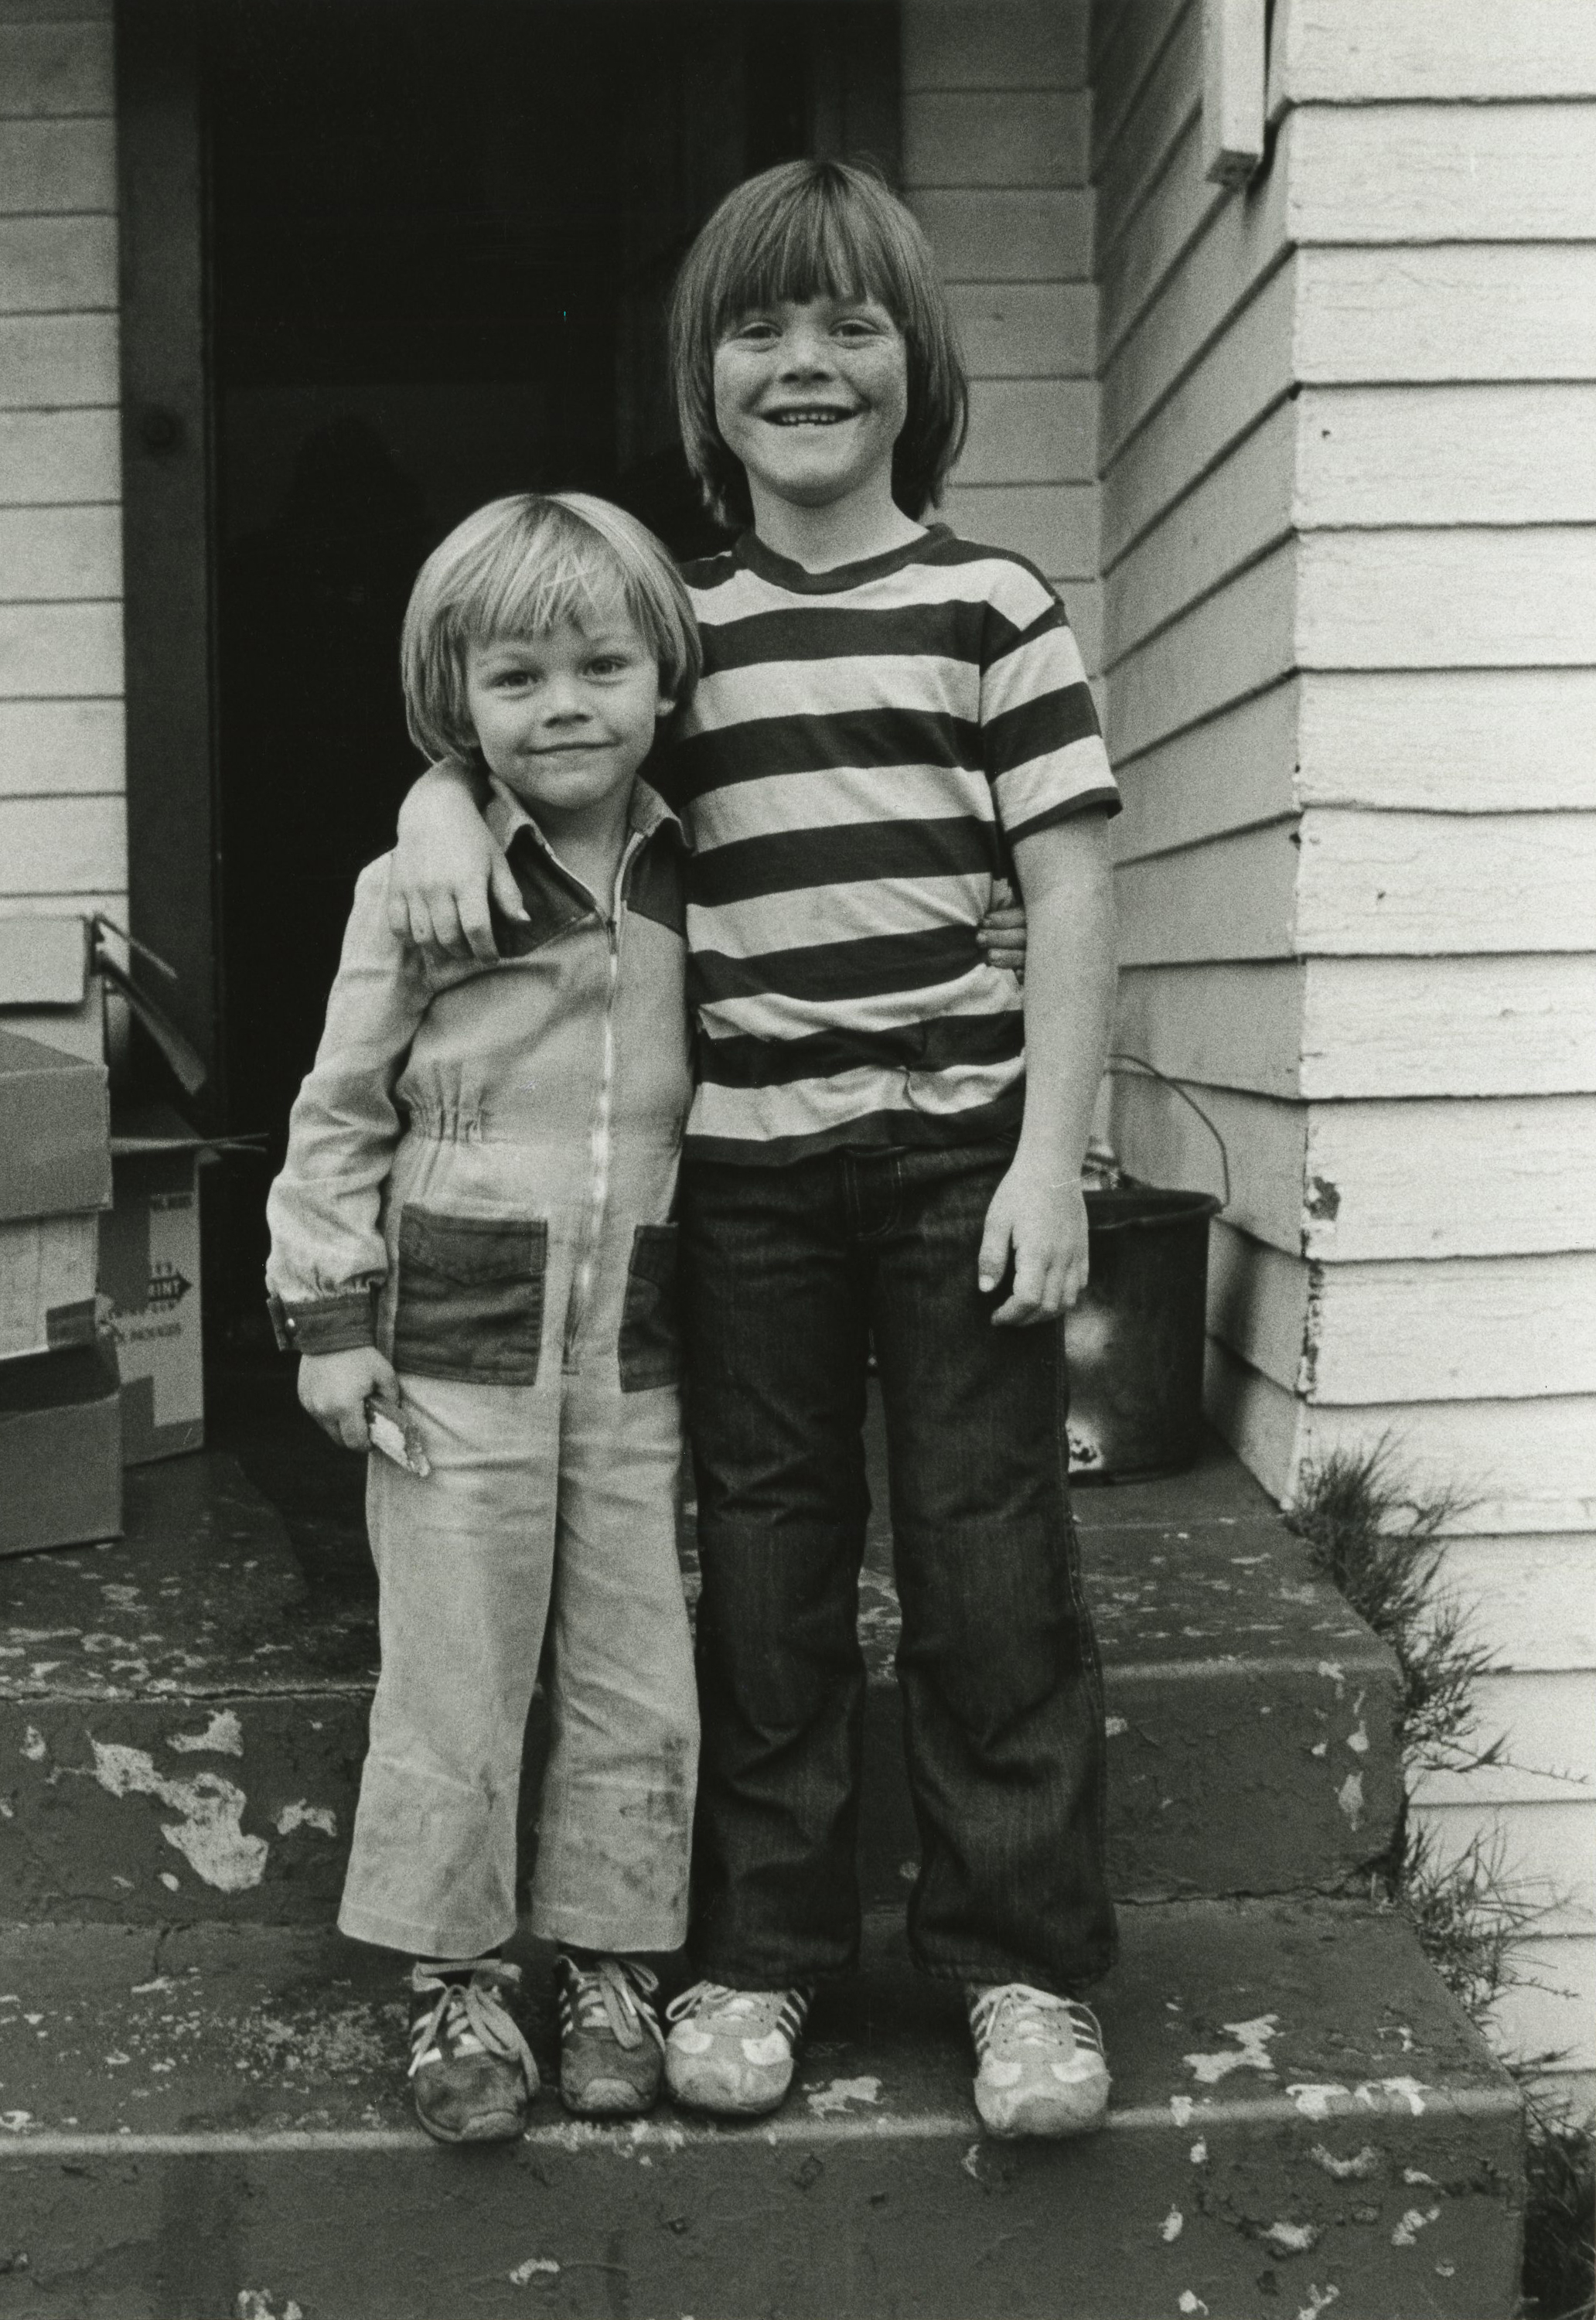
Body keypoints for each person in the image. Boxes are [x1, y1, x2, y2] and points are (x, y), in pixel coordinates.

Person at [388, 159, 1120, 2141]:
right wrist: (436, 806)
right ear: (700, 377)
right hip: (750, 1186)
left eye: (849, 323)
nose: (805, 361)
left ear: (919, 359)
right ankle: (763, 1955)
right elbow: (544, 725)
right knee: (770, 1574)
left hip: (963, 1160)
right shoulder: (678, 630)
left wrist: (1053, 1159)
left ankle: (1020, 1969)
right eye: (759, 328)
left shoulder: (993, 605)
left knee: (987, 1568)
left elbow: (1060, 899)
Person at [264, 491, 704, 2145]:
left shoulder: (689, 860)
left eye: (601, 665)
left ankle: (606, 1963)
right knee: (456, 1663)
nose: (564, 705)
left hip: (638, 1331)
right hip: (452, 1332)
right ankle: (456, 1981)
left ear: (663, 676)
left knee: (633, 1661)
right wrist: (326, 1313)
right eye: (514, 681)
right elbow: (338, 1105)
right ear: (455, 705)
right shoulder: (423, 884)